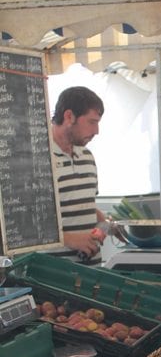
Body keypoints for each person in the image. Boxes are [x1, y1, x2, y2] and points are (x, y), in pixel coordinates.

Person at [50, 86, 111, 261]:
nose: (97, 131)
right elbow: (22, 223)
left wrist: (105, 224)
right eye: (92, 122)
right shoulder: (36, 160)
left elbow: (84, 203)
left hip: (91, 271)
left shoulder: (87, 156)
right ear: (69, 116)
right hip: (52, 272)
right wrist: (69, 240)